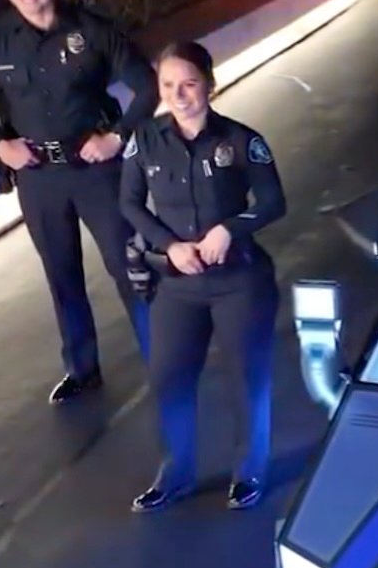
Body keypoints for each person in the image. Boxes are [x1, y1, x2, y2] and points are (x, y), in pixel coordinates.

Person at [0, 0, 158, 403]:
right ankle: (82, 369)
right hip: (39, 177)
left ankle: (164, 359)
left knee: (130, 267)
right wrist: (0, 146)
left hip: (95, 169)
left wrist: (118, 136)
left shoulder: (92, 29)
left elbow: (147, 87)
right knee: (62, 274)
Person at [120, 41, 286, 513]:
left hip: (239, 282)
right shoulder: (145, 140)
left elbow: (274, 202)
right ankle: (176, 471)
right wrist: (169, 245)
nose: (179, 94)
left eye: (189, 84)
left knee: (245, 376)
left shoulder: (240, 140)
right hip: (177, 285)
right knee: (169, 378)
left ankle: (250, 469)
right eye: (168, 85)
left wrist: (230, 229)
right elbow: (129, 203)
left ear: (209, 85)